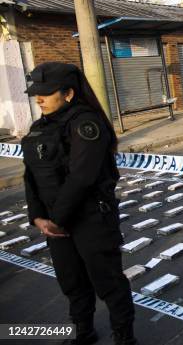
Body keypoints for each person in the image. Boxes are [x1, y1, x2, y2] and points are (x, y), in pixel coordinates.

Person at [21, 62, 137, 345]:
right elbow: (31, 175)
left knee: (108, 282)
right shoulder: (39, 127)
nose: (39, 99)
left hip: (90, 219)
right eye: (37, 93)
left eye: (47, 93)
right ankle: (82, 332)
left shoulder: (87, 124)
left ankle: (124, 337)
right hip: (55, 223)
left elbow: (82, 177)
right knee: (72, 282)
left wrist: (56, 219)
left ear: (69, 93)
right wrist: (38, 216)